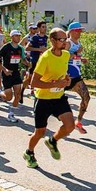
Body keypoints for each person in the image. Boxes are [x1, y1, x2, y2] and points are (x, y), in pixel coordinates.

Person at [23, 28, 74, 168]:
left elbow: (63, 75)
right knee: (40, 132)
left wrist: (66, 80)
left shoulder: (65, 55)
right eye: (61, 39)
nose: (64, 42)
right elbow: (34, 82)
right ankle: (29, 153)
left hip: (58, 97)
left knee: (70, 125)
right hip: (43, 99)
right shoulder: (45, 57)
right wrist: (56, 83)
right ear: (52, 41)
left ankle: (52, 141)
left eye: (66, 39)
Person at [0, 30, 27, 123]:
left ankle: (11, 114)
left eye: (19, 36)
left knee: (18, 94)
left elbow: (22, 59)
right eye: (16, 36)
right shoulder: (6, 47)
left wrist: (28, 63)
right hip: (7, 73)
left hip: (16, 73)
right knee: (8, 97)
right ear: (11, 37)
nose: (18, 37)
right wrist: (4, 69)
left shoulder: (20, 48)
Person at [64, 21, 90, 134]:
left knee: (86, 98)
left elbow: (74, 57)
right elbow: (62, 56)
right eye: (78, 30)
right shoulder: (68, 43)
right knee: (52, 101)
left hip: (76, 77)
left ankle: (78, 122)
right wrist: (76, 54)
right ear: (72, 31)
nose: (80, 33)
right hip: (65, 77)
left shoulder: (78, 43)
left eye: (81, 31)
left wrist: (81, 59)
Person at [26, 21, 48, 98]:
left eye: (45, 27)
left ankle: (40, 89)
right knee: (32, 75)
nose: (45, 28)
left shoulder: (46, 37)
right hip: (34, 59)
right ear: (38, 28)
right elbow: (27, 48)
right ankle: (30, 89)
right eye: (43, 27)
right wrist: (38, 49)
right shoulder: (35, 37)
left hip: (43, 59)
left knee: (42, 75)